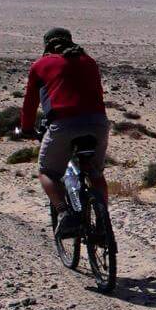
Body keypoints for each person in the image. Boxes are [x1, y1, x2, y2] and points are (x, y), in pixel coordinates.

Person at [17, 28, 110, 237]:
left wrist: (26, 128)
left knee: (47, 171)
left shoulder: (41, 65)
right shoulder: (89, 61)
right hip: (98, 123)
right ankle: (103, 219)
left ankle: (63, 212)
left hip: (64, 123)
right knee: (95, 173)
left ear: (47, 45)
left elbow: (30, 103)